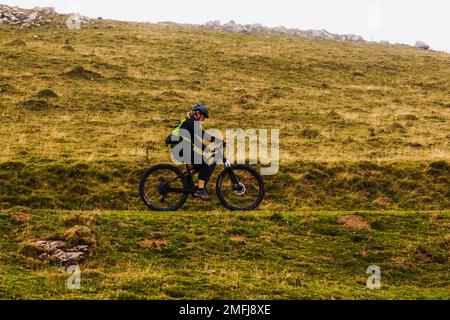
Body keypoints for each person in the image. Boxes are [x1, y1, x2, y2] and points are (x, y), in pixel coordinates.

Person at [167, 104, 224, 201]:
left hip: (181, 148)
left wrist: (208, 150)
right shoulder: (190, 122)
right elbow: (202, 135)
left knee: (199, 164)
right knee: (205, 164)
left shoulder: (189, 123)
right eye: (203, 116)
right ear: (197, 114)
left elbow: (196, 141)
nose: (203, 119)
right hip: (180, 148)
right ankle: (200, 190)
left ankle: (187, 178)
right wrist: (218, 141)